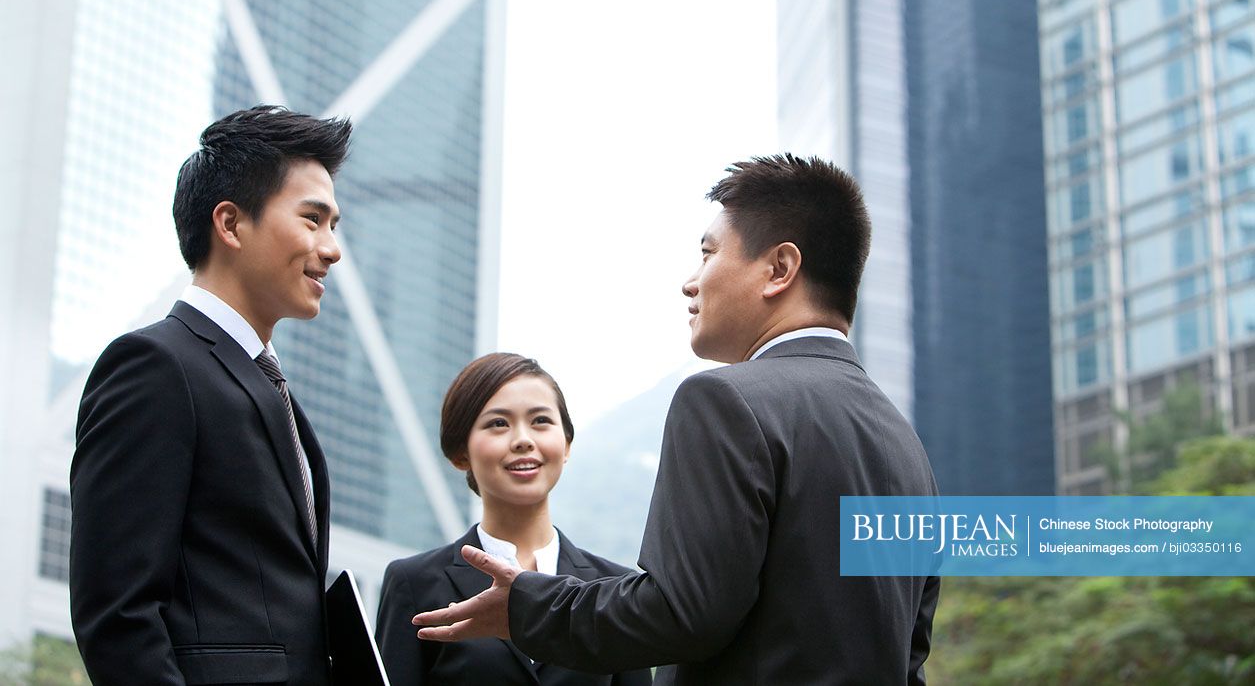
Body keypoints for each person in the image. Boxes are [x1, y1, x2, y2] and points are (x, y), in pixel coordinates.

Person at [413, 154, 941, 685]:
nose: (691, 284)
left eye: (708, 255)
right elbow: (911, 658)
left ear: (780, 269)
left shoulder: (724, 401)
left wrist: (527, 606)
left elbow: (682, 612)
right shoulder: (906, 447)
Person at [69, 105, 351, 685]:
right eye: (312, 219)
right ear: (230, 224)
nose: (331, 249)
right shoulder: (155, 367)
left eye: (334, 225)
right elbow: (117, 616)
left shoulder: (269, 387)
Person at [376, 352, 652, 685]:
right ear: (461, 452)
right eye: (498, 423)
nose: (523, 439)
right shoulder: (414, 583)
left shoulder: (616, 589)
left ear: (566, 445)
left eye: (540, 421)